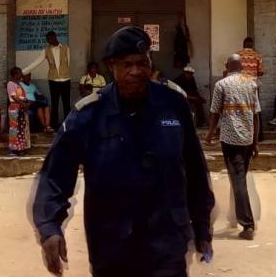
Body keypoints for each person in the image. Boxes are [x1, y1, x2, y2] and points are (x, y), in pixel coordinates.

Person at [32, 25, 215, 277]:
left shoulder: (173, 105)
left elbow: (195, 169)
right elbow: (55, 174)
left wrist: (202, 228)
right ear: (111, 66)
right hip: (111, 245)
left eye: (143, 63)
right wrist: (49, 228)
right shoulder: (89, 114)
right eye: (127, 64)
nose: (136, 71)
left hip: (167, 242)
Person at [206, 54, 260, 241]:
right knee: (239, 178)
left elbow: (214, 112)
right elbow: (255, 115)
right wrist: (255, 142)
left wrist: (210, 134)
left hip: (230, 140)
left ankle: (248, 225)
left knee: (238, 181)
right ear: (241, 66)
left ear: (227, 65)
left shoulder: (221, 85)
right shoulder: (251, 83)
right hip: (247, 139)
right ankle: (234, 218)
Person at [22, 31, 71, 129]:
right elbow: (37, 62)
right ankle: (54, 126)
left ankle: (68, 125)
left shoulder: (66, 48)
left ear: (55, 37)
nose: (49, 41)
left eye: (50, 38)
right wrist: (22, 72)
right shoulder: (46, 50)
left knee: (66, 104)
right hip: (53, 80)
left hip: (66, 79)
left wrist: (66, 73)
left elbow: (69, 63)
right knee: (55, 104)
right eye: (47, 39)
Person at [19, 69, 53, 133]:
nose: (28, 77)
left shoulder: (32, 85)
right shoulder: (20, 84)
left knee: (46, 107)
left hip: (35, 102)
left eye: (29, 76)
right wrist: (26, 100)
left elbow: (39, 94)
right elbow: (19, 96)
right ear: (22, 77)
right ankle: (44, 127)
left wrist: (42, 96)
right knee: (39, 107)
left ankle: (47, 126)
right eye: (26, 76)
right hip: (27, 103)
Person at [7, 67, 31, 156]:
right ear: (16, 74)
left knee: (21, 129)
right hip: (15, 108)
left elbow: (22, 96)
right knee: (14, 128)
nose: (21, 75)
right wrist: (23, 103)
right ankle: (14, 149)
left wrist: (26, 102)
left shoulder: (19, 84)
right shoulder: (10, 84)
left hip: (21, 109)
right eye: (20, 73)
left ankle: (20, 148)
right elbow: (13, 96)